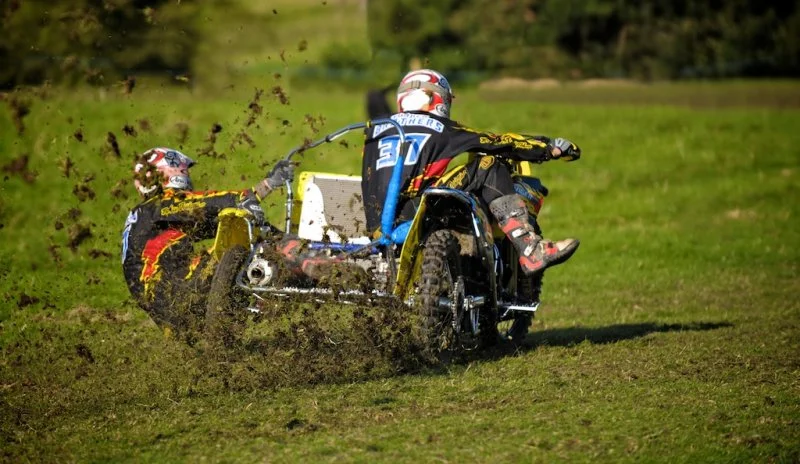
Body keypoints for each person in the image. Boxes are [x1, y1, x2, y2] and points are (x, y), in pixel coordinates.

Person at [362, 68, 581, 276]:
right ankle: (529, 248)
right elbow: (500, 142)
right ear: (436, 99)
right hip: (417, 211)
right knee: (488, 163)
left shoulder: (374, 130)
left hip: (376, 223)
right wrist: (548, 147)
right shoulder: (442, 128)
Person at [121, 147, 294, 339]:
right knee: (237, 223)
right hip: (184, 290)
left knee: (241, 226)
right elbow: (212, 202)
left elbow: (211, 224)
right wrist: (267, 185)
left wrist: (268, 230)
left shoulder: (149, 218)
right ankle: (301, 264)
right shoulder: (160, 204)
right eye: (185, 171)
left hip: (170, 318)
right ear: (171, 172)